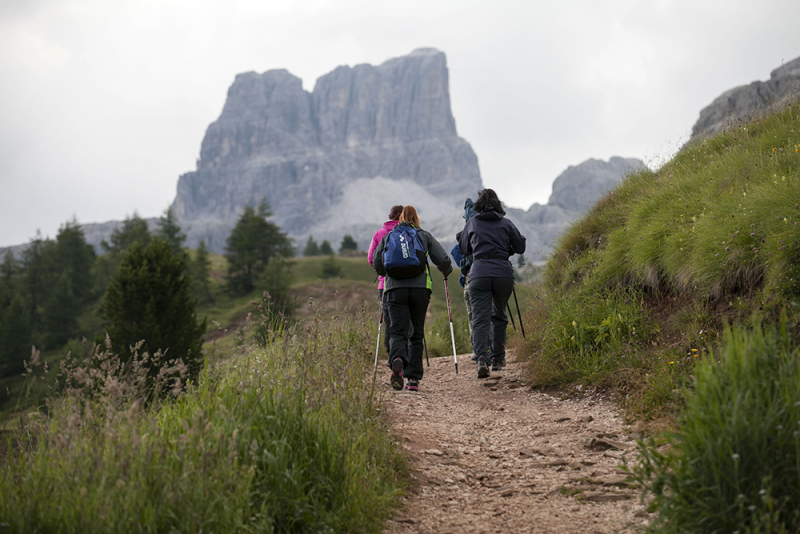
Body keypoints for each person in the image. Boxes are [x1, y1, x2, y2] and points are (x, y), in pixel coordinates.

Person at [374, 206, 453, 391]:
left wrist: (387, 273)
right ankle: (413, 379)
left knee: (397, 331)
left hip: (394, 289)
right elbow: (442, 259)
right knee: (416, 333)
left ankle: (397, 360)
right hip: (420, 289)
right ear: (416, 219)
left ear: (400, 219)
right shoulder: (423, 235)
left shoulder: (388, 236)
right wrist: (446, 271)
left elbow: (378, 262)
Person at [458, 189, 526, 378]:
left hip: (479, 273)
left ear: (478, 205)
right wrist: (506, 248)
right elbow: (520, 246)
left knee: (480, 319)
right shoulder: (506, 223)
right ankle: (497, 358)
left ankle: (481, 359)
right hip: (503, 273)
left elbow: (464, 249)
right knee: (499, 315)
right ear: (498, 205)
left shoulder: (472, 223)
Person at [368, 205, 404, 363]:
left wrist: (382, 272)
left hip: (384, 285)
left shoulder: (379, 234)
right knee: (404, 319)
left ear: (390, 216)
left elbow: (371, 259)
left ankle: (392, 355)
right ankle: (404, 355)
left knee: (389, 320)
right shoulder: (406, 232)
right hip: (404, 283)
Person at [451, 198, 479, 360]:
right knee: (491, 312)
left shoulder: (466, 236)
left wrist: (464, 269)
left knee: (473, 315)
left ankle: (478, 350)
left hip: (472, 279)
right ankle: (495, 349)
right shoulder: (489, 228)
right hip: (494, 273)